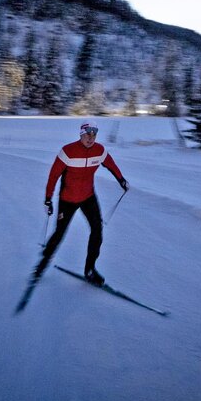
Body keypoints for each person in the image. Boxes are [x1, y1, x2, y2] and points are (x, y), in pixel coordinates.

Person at [34, 121, 128, 286]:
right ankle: (42, 265)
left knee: (97, 230)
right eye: (87, 135)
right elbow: (53, 175)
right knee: (59, 234)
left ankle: (90, 270)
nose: (91, 138)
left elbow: (111, 164)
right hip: (67, 200)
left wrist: (121, 180)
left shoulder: (99, 150)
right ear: (81, 134)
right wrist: (48, 198)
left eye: (94, 135)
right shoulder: (68, 151)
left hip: (88, 197)